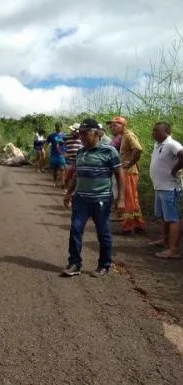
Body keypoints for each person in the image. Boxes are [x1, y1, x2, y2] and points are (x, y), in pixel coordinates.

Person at [62, 118, 125, 278]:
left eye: (85, 133)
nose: (81, 136)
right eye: (80, 133)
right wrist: (69, 193)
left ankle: (104, 264)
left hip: (101, 199)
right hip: (81, 199)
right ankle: (74, 263)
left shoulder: (109, 151)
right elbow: (77, 175)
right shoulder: (80, 152)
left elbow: (119, 174)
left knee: (103, 232)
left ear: (96, 134)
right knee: (75, 230)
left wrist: (121, 198)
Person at [148, 121, 183, 259]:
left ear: (166, 132)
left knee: (173, 218)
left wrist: (175, 169)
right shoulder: (158, 144)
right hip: (160, 187)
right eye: (153, 130)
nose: (154, 133)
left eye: (157, 130)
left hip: (170, 188)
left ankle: (173, 249)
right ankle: (164, 240)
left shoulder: (171, 144)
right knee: (164, 217)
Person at [107, 116, 145, 234]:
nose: (112, 128)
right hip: (129, 172)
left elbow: (138, 149)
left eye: (115, 125)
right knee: (133, 199)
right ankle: (139, 224)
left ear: (123, 126)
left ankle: (128, 226)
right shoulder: (123, 137)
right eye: (111, 126)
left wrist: (130, 162)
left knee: (128, 199)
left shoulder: (128, 135)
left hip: (129, 172)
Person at [63, 124, 83, 189]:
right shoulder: (67, 137)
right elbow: (59, 145)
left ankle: (71, 190)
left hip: (79, 161)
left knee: (75, 178)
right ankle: (66, 187)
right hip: (69, 160)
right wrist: (64, 153)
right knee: (67, 177)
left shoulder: (82, 138)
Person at [46, 123, 66, 188]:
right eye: (57, 126)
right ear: (55, 127)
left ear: (61, 127)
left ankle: (63, 183)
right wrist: (44, 149)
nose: (58, 128)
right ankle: (54, 182)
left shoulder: (65, 136)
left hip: (62, 154)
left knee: (62, 169)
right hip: (54, 154)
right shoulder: (51, 135)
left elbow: (67, 144)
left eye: (59, 126)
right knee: (55, 169)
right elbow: (46, 143)